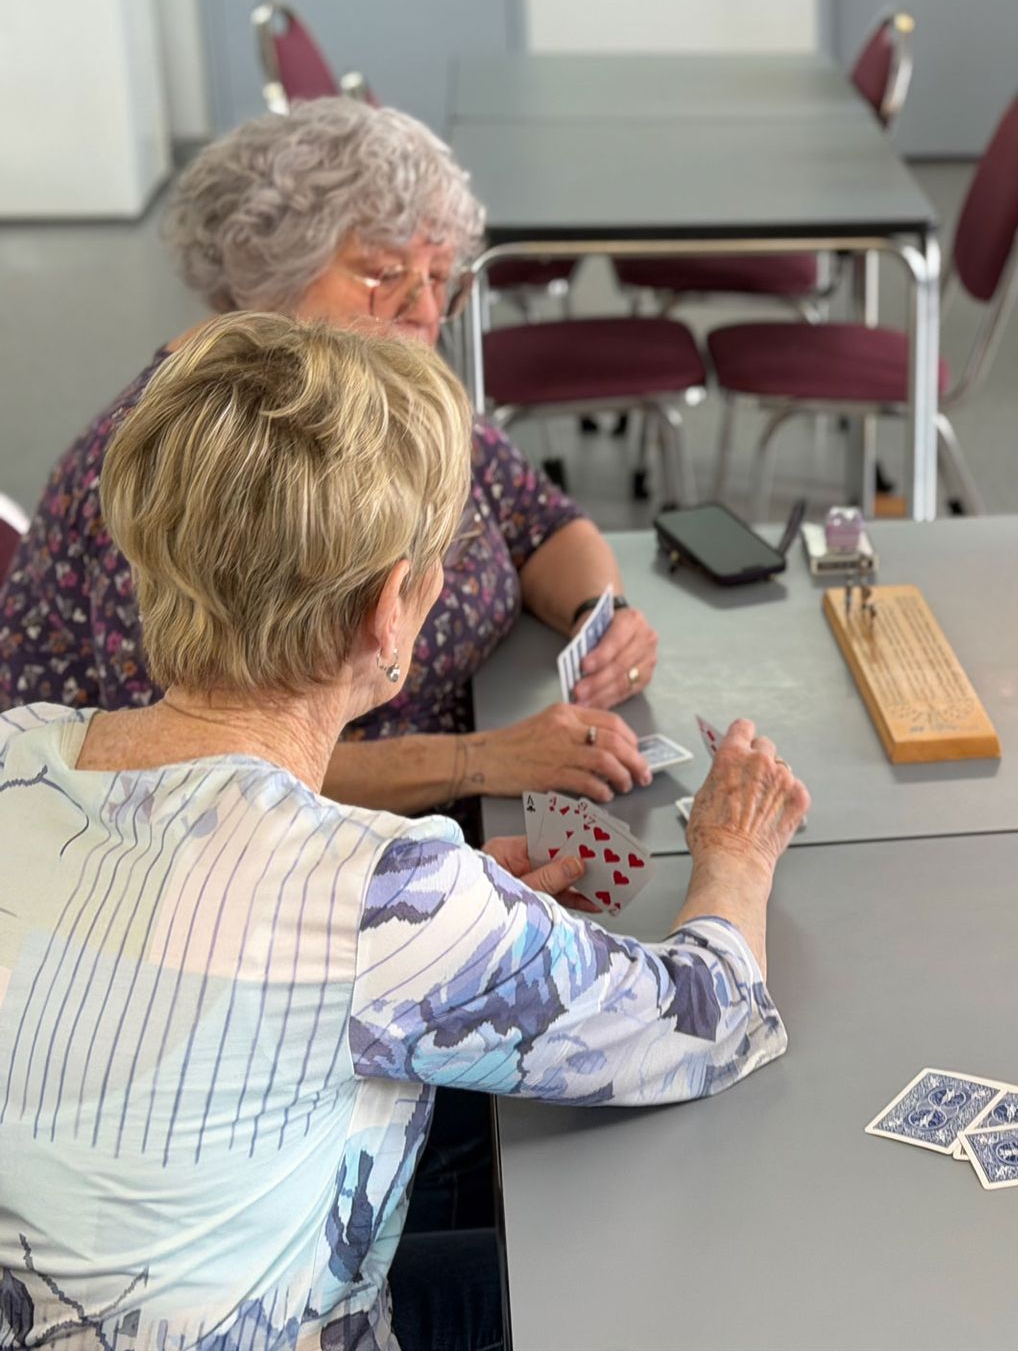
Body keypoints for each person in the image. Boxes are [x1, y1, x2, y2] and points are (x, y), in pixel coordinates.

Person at [0, 313, 810, 1349]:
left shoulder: (20, 751)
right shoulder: (376, 896)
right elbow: (706, 1019)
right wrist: (736, 849)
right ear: (393, 610)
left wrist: (450, 899)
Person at [0, 97, 660, 825]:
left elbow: (540, 520)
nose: (423, 309)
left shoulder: (380, 390)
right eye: (382, 273)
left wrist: (605, 618)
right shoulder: (205, 454)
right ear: (273, 271)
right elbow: (202, 770)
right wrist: (478, 760)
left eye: (440, 276)